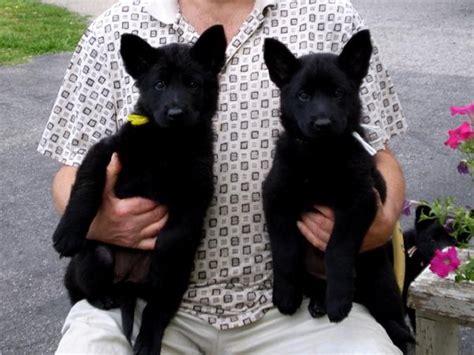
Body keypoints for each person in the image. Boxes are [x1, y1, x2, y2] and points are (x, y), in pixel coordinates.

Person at [38, 0, 407, 353]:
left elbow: (380, 152)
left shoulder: (330, 14)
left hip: (297, 304)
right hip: (142, 298)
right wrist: (102, 221)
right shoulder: (112, 29)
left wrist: (382, 221)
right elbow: (70, 168)